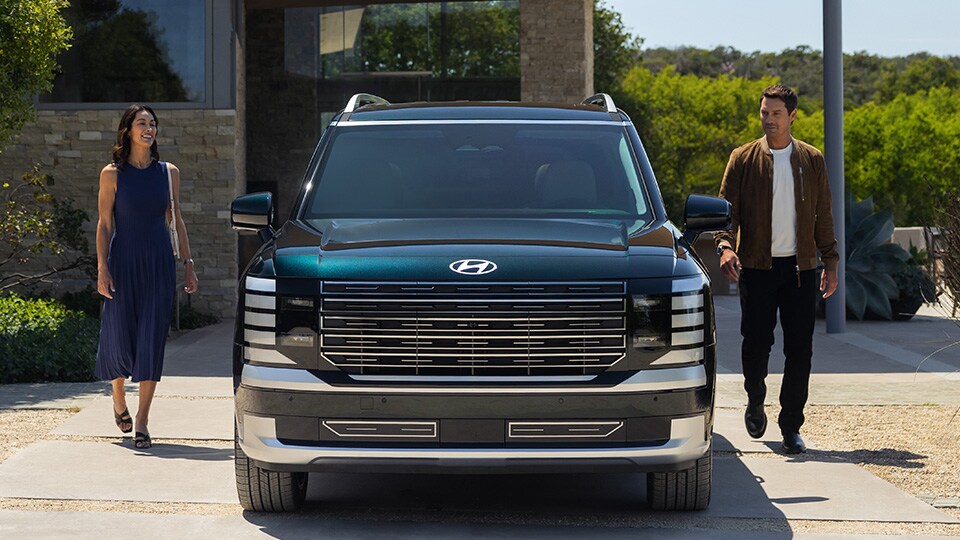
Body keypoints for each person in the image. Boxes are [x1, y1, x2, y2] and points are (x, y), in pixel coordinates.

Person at [715, 85, 839, 454]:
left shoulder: (811, 160)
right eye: (764, 113)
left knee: (800, 350)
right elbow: (725, 213)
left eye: (776, 114)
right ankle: (755, 398)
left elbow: (824, 215)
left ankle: (791, 425)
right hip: (756, 266)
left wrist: (830, 261)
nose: (769, 119)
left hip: (800, 269)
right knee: (756, 344)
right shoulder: (743, 158)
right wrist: (724, 247)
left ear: (792, 116)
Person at [95, 104, 199, 449]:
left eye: (152, 123)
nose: (149, 129)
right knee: (118, 333)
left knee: (152, 339)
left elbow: (176, 218)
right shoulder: (112, 174)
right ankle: (118, 398)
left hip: (158, 263)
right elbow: (105, 223)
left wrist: (188, 262)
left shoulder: (168, 173)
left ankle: (141, 421)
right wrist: (102, 267)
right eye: (142, 123)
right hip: (123, 262)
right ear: (127, 130)